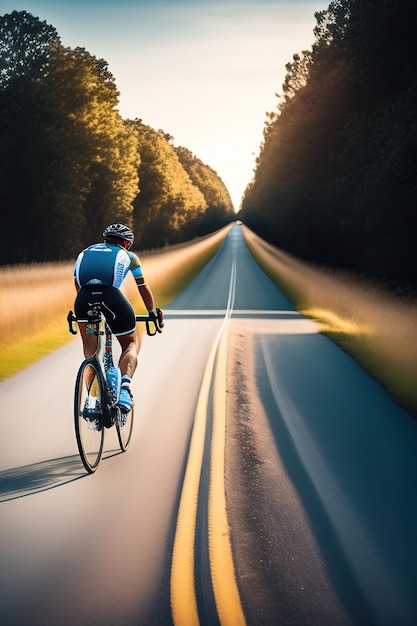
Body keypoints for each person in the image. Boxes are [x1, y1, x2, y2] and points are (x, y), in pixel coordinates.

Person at [73, 223, 158, 414]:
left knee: (90, 350)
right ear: (126, 244)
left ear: (106, 239)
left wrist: (87, 314)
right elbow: (142, 286)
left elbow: (77, 283)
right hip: (112, 298)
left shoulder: (85, 253)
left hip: (84, 300)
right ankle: (125, 391)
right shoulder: (130, 257)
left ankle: (93, 400)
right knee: (130, 344)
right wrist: (152, 312)